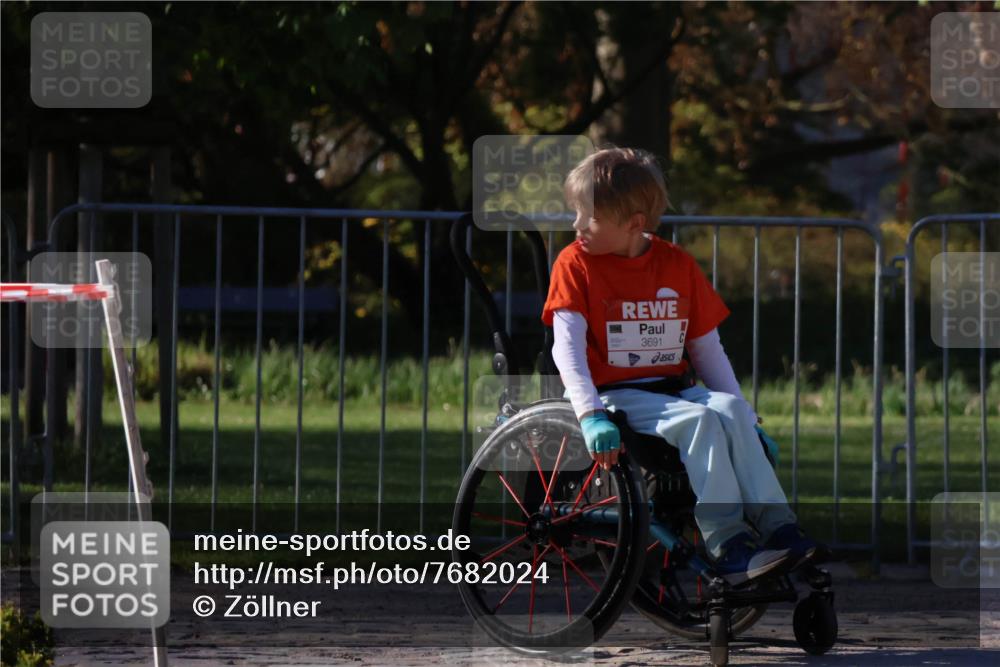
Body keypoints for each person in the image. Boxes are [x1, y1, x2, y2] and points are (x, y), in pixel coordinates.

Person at [541, 147, 825, 584]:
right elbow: (567, 350)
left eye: (589, 216)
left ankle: (779, 527)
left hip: (673, 389)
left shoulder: (677, 265)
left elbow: (708, 352)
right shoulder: (574, 263)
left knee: (729, 413)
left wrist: (749, 423)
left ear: (634, 223)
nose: (577, 226)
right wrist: (590, 414)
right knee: (700, 423)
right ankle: (727, 541)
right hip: (615, 395)